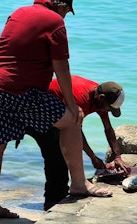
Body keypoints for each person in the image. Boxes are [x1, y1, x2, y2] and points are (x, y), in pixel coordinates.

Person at [0, 0, 112, 220]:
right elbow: (61, 66)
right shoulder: (54, 22)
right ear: (61, 5)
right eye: (67, 12)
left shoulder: (19, 12)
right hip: (19, 91)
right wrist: (72, 104)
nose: (65, 17)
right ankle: (80, 185)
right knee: (73, 120)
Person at [26, 77, 129, 210]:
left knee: (62, 154)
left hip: (58, 113)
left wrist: (117, 156)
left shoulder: (100, 95)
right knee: (57, 157)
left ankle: (60, 197)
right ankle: (52, 203)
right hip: (37, 110)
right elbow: (75, 133)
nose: (108, 111)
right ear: (101, 98)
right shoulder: (81, 99)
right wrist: (93, 157)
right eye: (109, 108)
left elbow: (108, 129)